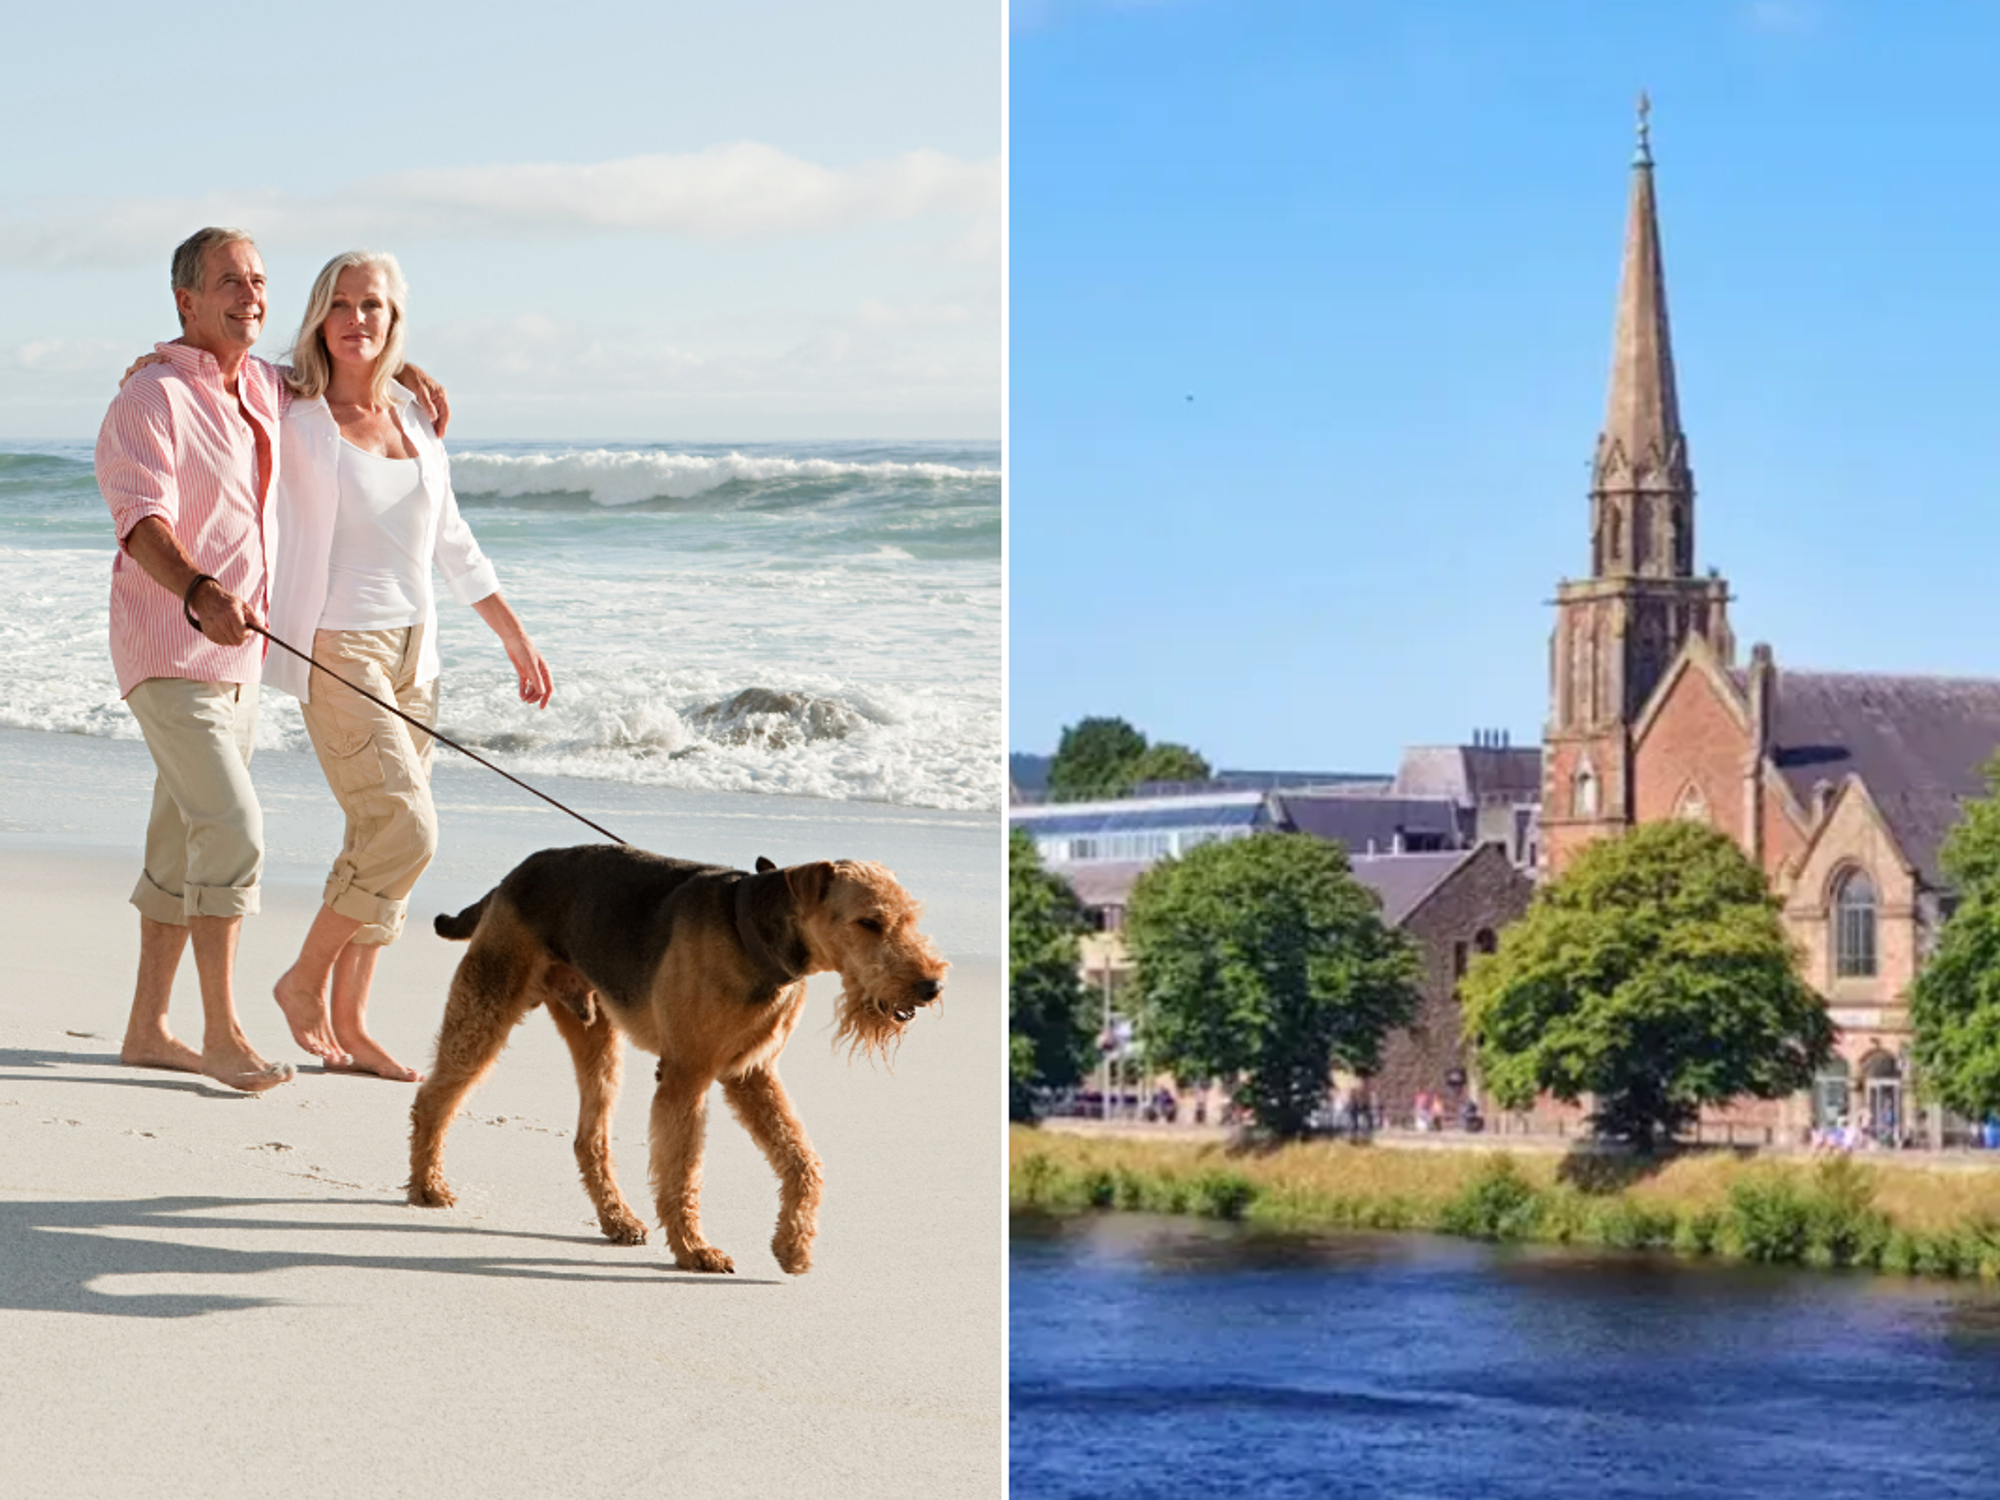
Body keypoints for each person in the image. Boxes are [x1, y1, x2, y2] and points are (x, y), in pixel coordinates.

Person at [103, 227, 452, 1089]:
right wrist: (197, 592)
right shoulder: (150, 397)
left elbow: (339, 371)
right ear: (185, 299)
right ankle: (223, 1035)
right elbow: (140, 520)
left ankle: (147, 1029)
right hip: (168, 644)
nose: (250, 295)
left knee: (181, 840)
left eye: (258, 281)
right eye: (229, 282)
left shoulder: (262, 384)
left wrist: (403, 372)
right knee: (233, 830)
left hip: (239, 660)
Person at [262, 251, 553, 1081]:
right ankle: (302, 981)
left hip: (414, 647)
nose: (359, 318)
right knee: (409, 829)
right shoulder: (292, 408)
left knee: (375, 834)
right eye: (343, 304)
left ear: (396, 321)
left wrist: (511, 631)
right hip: (334, 641)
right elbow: (218, 369)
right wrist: (155, 358)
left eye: (376, 307)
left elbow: (450, 537)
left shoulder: (414, 417)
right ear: (320, 315)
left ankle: (351, 1024)